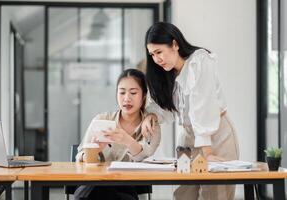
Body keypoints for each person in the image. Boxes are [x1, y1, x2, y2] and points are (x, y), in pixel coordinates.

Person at [142, 22, 239, 200]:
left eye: (159, 52)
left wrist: (207, 153)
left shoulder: (199, 61)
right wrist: (151, 115)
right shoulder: (167, 73)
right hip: (186, 137)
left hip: (215, 136)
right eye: (152, 54)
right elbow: (165, 110)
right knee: (183, 194)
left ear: (175, 44)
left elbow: (204, 106)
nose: (156, 59)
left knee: (215, 195)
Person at [74, 68, 161, 200]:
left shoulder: (150, 124)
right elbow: (80, 157)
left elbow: (144, 157)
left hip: (128, 186)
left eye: (133, 93)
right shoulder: (102, 120)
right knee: (99, 186)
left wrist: (127, 140)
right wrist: (94, 151)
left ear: (143, 96)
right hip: (95, 183)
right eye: (121, 93)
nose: (127, 98)